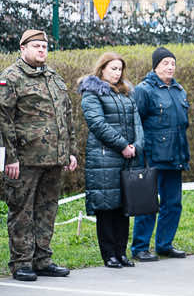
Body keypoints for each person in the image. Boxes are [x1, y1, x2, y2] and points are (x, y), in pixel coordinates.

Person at [0, 30, 77, 282]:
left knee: (47, 210)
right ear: (23, 48)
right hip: (25, 160)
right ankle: (21, 262)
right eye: (36, 46)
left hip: (54, 158)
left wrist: (70, 152)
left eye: (44, 46)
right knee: (21, 211)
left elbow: (66, 117)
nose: (42, 50)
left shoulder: (53, 77)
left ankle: (42, 260)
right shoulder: (11, 78)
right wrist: (9, 157)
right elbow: (3, 121)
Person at [78, 52, 145, 268]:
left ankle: (121, 251)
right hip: (104, 159)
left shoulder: (127, 92)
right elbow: (97, 124)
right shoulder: (92, 92)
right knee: (106, 208)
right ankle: (109, 254)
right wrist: (122, 145)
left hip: (127, 158)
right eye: (113, 68)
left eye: (119, 69)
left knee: (123, 207)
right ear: (102, 69)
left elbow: (137, 122)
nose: (117, 73)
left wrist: (136, 145)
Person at [130, 47, 190, 262]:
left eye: (172, 63)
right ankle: (140, 247)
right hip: (152, 157)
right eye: (165, 63)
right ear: (155, 66)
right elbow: (135, 123)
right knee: (147, 203)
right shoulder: (144, 90)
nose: (170, 67)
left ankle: (165, 244)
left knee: (173, 203)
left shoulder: (179, 90)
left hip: (175, 157)